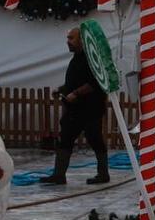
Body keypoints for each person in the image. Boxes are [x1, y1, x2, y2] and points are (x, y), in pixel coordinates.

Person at [44, 24, 110, 185]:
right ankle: (59, 175)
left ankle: (103, 174)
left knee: (94, 139)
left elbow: (96, 82)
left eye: (71, 38)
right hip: (75, 109)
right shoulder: (76, 58)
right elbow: (75, 81)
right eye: (68, 38)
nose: (68, 41)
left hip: (91, 108)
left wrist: (77, 93)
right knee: (65, 139)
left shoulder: (92, 58)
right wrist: (62, 89)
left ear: (82, 40)